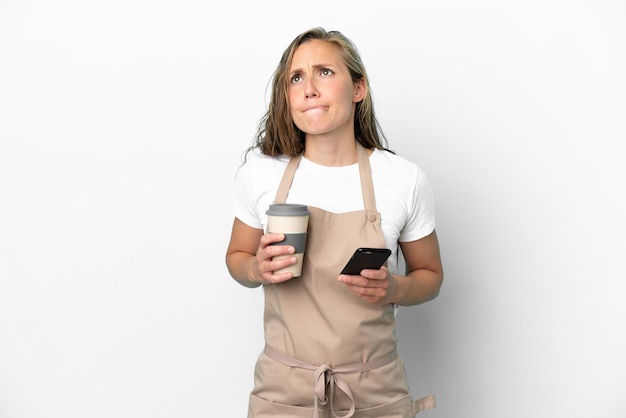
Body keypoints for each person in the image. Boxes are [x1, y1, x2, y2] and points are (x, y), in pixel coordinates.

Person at [225, 27, 444, 418]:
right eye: (296, 77)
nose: (309, 87)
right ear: (287, 95)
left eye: (325, 71)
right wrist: (255, 267)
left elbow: (430, 276)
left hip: (375, 391)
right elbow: (237, 259)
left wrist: (394, 287)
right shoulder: (260, 175)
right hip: (283, 391)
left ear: (358, 88)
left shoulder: (402, 179)